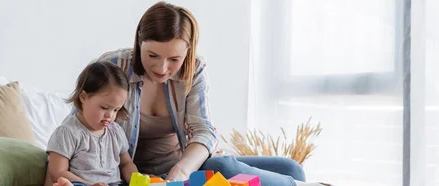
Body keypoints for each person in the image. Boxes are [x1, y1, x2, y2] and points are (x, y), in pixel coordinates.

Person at [92, 1, 330, 186]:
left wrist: (182, 171)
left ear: (187, 53)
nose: (162, 68)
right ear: (139, 42)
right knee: (221, 168)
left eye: (174, 59)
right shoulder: (113, 67)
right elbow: (83, 124)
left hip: (181, 169)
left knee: (291, 169)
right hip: (134, 176)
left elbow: (203, 130)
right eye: (152, 55)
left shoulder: (193, 68)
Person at [45, 61, 139, 186]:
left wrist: (138, 180)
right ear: (83, 97)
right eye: (104, 107)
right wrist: (89, 185)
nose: (110, 115)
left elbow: (126, 163)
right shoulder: (67, 132)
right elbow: (57, 172)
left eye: (116, 109)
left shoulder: (116, 131)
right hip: (82, 184)